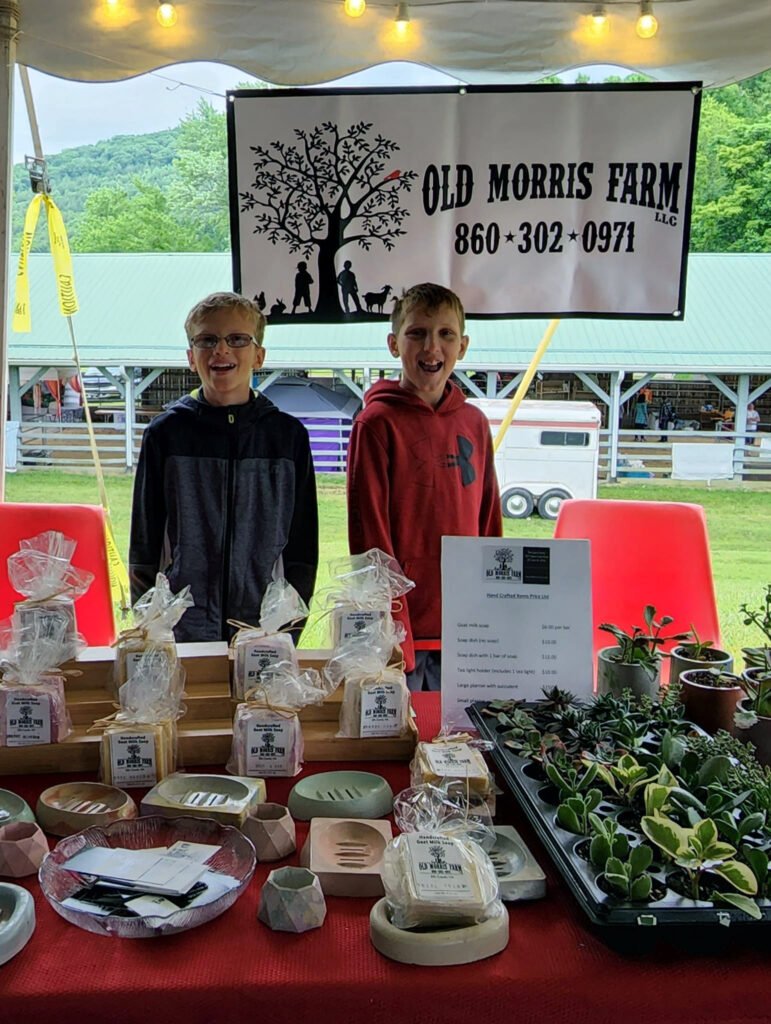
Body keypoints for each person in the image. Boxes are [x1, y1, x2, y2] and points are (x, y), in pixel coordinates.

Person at [129, 292, 318, 642]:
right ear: (191, 356)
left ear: (258, 356)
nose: (221, 350)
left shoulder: (287, 438)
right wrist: (151, 629)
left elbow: (302, 550)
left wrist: (286, 632)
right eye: (207, 340)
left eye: (237, 339)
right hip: (183, 628)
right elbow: (145, 545)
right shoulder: (167, 435)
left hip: (262, 629)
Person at [346, 282, 502, 692]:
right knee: (404, 737)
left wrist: (492, 613)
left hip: (464, 627)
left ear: (463, 346)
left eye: (445, 334)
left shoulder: (473, 423)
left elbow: (489, 523)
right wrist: (392, 626)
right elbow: (369, 537)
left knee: (463, 742)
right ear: (394, 344)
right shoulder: (377, 423)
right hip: (405, 630)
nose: (432, 347)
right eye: (417, 333)